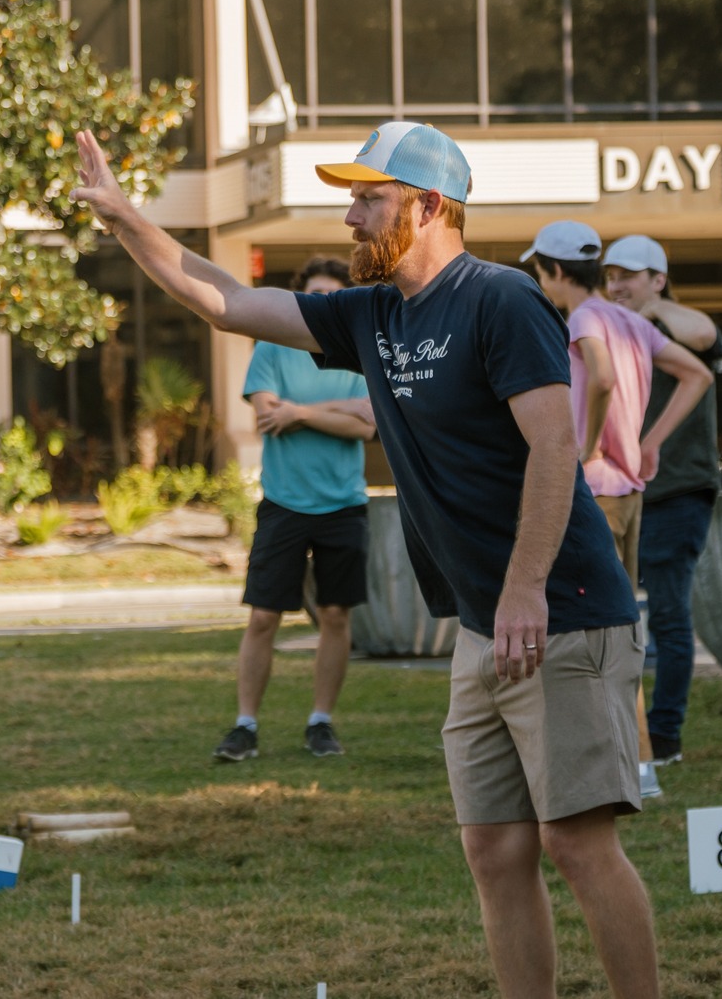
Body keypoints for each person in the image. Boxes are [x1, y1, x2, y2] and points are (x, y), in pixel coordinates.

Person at [74, 120, 659, 998]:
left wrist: (526, 589)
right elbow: (225, 299)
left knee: (576, 842)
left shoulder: (501, 300)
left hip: (561, 609)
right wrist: (125, 218)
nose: (350, 217)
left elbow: (553, 446)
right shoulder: (373, 315)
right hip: (483, 625)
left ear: (427, 207)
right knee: (493, 847)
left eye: (367, 199)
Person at [526, 220, 712, 798]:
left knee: (590, 630)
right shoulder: (631, 320)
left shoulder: (584, 318)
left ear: (556, 271)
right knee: (622, 628)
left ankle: (626, 763)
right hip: (630, 490)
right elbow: (697, 374)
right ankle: (638, 763)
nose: (540, 281)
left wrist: (584, 448)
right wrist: (648, 443)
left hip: (599, 491)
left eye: (540, 271)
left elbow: (601, 377)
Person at [213, 256, 375, 762]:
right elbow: (267, 415)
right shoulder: (272, 346)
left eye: (332, 296)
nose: (322, 303)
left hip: (344, 505)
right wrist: (337, 411)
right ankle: (245, 726)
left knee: (335, 616)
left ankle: (320, 723)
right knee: (264, 616)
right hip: (283, 504)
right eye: (314, 294)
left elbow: (368, 425)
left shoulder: (358, 354)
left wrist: (300, 411)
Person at [604, 235, 722, 767]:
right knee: (612, 619)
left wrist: (652, 308)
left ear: (658, 279)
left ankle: (664, 738)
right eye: (611, 276)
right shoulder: (610, 329)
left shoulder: (677, 327)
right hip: (624, 491)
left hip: (678, 491)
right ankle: (624, 733)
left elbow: (706, 335)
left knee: (669, 618)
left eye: (629, 276)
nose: (617, 285)